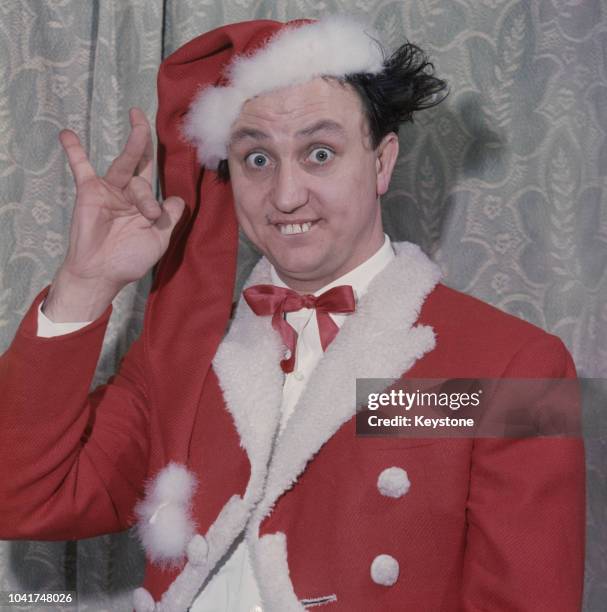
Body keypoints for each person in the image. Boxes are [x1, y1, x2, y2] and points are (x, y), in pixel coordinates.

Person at [0, 16, 584, 612]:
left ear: (381, 162)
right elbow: (22, 497)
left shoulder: (523, 368)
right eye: (257, 159)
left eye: (320, 153)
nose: (285, 195)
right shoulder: (183, 355)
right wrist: (85, 285)